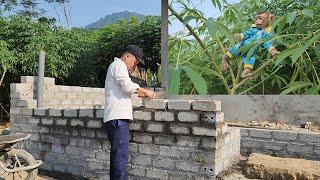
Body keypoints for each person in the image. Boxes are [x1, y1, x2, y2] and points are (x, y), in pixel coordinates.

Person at [103, 45, 156, 180]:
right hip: (117, 119)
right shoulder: (118, 65)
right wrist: (145, 91)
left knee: (118, 157)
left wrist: (141, 93)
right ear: (127, 56)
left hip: (117, 119)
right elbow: (127, 85)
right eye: (135, 61)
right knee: (120, 157)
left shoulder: (117, 67)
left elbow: (125, 89)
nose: (135, 65)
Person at [221, 12, 280, 78]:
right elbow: (246, 34)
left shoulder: (266, 34)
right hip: (242, 46)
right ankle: (224, 60)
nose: (257, 20)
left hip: (251, 52)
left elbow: (267, 43)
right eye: (256, 18)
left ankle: (244, 74)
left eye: (260, 18)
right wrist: (240, 36)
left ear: (269, 20)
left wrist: (272, 50)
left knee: (249, 65)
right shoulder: (253, 30)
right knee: (230, 53)